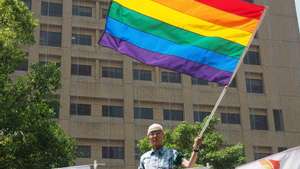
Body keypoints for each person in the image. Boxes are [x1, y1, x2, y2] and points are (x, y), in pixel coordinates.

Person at [138, 123, 202, 169]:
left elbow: (189, 165)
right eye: (152, 134)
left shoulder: (172, 153)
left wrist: (196, 148)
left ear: (163, 136)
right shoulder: (144, 158)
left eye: (158, 133)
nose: (155, 136)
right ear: (148, 138)